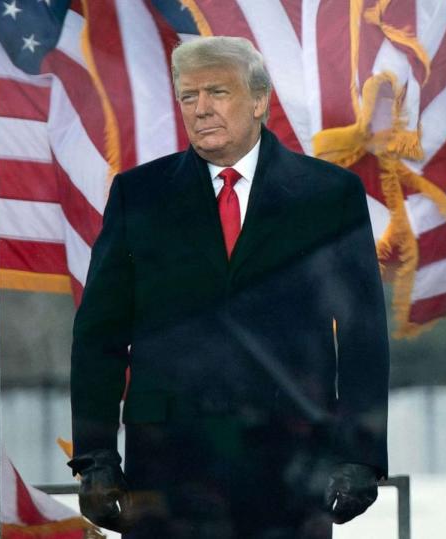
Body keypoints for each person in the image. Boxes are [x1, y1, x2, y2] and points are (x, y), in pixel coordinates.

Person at [68, 36, 389, 539]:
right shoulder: (139, 195)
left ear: (259, 100)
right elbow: (99, 335)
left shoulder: (329, 196)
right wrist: (95, 458)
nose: (200, 110)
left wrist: (361, 457)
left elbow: (361, 337)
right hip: (168, 468)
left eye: (217, 92)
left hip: (290, 466)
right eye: (188, 97)